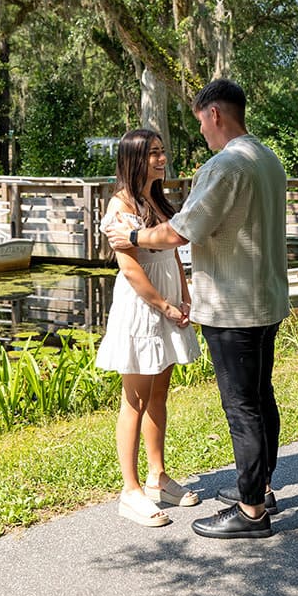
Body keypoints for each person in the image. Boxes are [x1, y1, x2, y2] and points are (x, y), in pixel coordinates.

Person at [106, 79, 289, 540]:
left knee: (242, 407)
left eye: (200, 123)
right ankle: (260, 486)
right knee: (261, 397)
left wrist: (132, 238)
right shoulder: (269, 160)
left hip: (234, 306)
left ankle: (250, 512)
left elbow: (179, 233)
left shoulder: (225, 166)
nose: (201, 134)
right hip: (266, 300)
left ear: (215, 116)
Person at [97, 129, 202, 527]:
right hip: (143, 309)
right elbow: (130, 267)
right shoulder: (120, 206)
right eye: (153, 154)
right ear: (134, 159)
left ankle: (158, 476)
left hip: (171, 304)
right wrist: (163, 305)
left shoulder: (155, 200)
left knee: (160, 392)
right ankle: (131, 490)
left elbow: (172, 251)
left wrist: (185, 295)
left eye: (162, 152)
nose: (161, 159)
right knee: (135, 400)